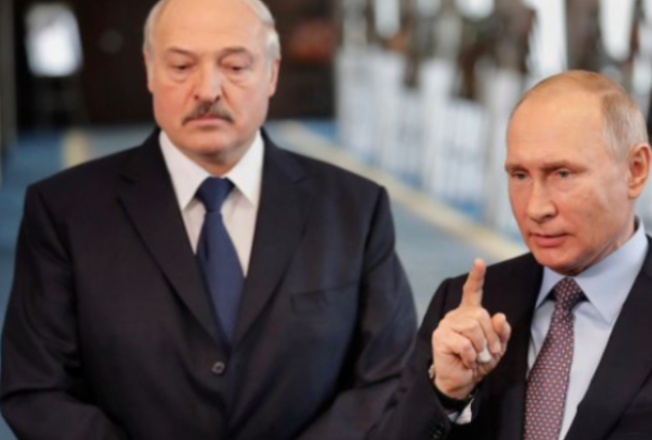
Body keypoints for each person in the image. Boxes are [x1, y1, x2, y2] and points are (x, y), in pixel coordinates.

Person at [0, 0, 417, 439]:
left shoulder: (355, 209)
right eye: (181, 67)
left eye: (235, 66)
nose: (207, 90)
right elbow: (35, 387)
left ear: (272, 73)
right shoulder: (65, 211)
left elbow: (391, 374)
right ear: (149, 70)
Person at [370, 70, 652, 440]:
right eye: (519, 175)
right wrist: (445, 394)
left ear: (635, 170)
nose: (536, 207)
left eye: (562, 174)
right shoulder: (461, 308)